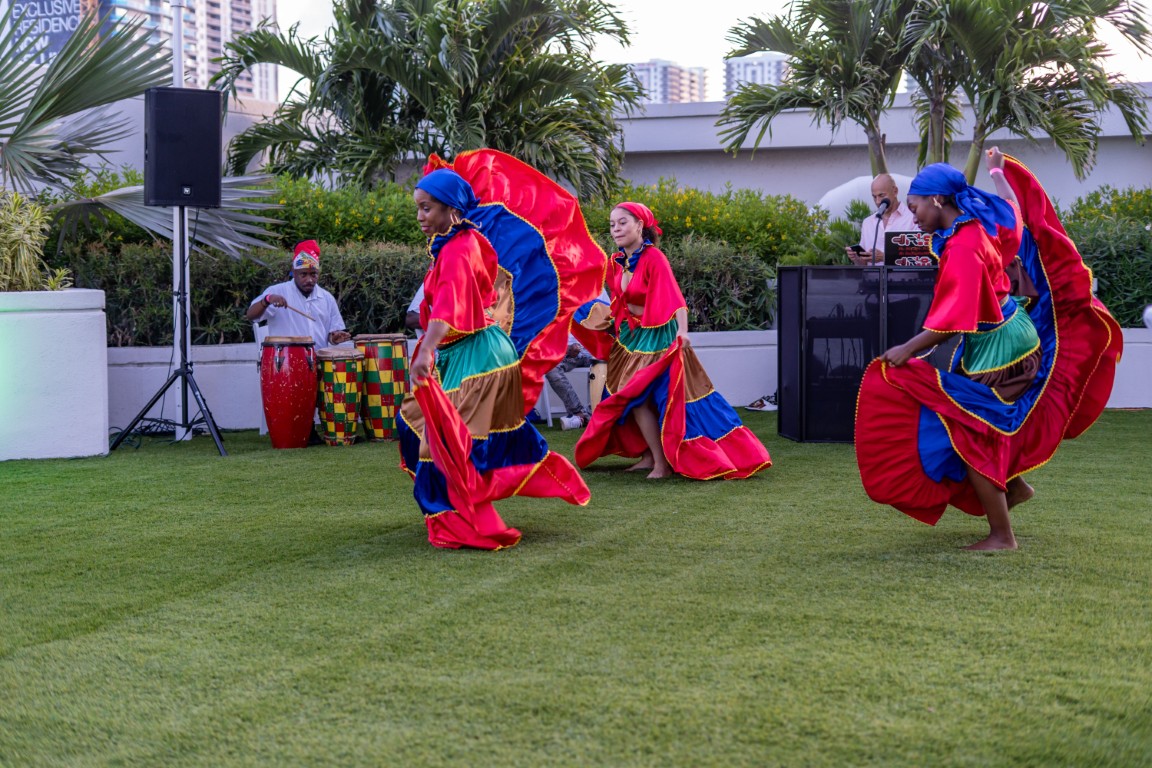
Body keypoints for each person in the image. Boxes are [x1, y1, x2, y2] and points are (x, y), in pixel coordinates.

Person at [855, 148, 1123, 550]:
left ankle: (1002, 536)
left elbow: (954, 319)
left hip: (1002, 350)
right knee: (975, 421)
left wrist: (907, 349)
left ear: (937, 200)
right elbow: (1014, 210)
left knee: (971, 429)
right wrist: (997, 172)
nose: (913, 217)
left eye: (915, 207)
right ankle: (1014, 489)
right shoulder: (978, 223)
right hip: (1004, 338)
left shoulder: (964, 247)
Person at [396, 166, 591, 550]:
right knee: (420, 425)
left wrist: (427, 349)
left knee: (448, 440)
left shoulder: (459, 248)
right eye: (418, 208)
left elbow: (449, 306)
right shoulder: (460, 243)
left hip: (478, 357)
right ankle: (464, 511)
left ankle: (465, 519)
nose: (420, 216)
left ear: (452, 209)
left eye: (427, 208)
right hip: (470, 351)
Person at [572, 202, 772, 480]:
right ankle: (649, 456)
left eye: (623, 223)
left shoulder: (654, 258)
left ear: (640, 225)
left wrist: (683, 332)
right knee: (634, 397)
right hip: (631, 337)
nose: (616, 229)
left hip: (656, 336)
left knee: (652, 396)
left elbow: (675, 298)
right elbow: (619, 300)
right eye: (612, 224)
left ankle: (663, 463)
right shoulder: (615, 261)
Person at [246, 240, 352, 347]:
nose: (309, 280)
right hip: (286, 357)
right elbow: (251, 315)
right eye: (303, 274)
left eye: (313, 274)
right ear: (294, 271)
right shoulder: (277, 291)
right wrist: (267, 300)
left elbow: (331, 334)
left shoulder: (327, 298)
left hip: (318, 357)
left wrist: (334, 338)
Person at [845, 173, 919, 265]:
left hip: (902, 275)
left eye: (882, 195)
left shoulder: (913, 218)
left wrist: (884, 257)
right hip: (873, 275)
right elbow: (864, 265)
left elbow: (919, 257)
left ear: (895, 191)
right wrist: (857, 259)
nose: (878, 201)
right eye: (874, 197)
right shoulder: (867, 223)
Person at [545, 337, 598, 430]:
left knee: (616, 364)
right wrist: (566, 348)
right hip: (565, 355)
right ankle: (578, 413)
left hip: (595, 352)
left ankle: (588, 414)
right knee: (551, 369)